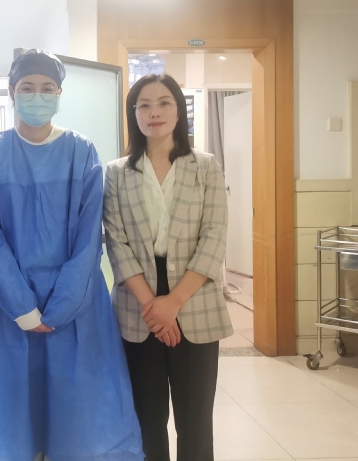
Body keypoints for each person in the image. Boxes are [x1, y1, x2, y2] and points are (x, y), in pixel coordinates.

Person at [0, 50, 143, 461]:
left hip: (76, 302)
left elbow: (89, 236)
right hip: (9, 307)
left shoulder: (81, 151)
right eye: (27, 87)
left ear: (60, 93)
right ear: (11, 92)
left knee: (79, 415)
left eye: (47, 88)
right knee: (14, 413)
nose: (38, 96)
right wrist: (23, 308)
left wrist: (61, 306)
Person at [103, 74, 233, 461]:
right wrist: (154, 307)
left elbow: (214, 237)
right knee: (147, 420)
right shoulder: (116, 172)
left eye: (164, 103)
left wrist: (172, 303)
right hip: (137, 307)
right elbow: (116, 243)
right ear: (134, 114)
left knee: (195, 421)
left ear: (179, 111)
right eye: (143, 105)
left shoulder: (205, 166)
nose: (154, 112)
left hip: (194, 300)